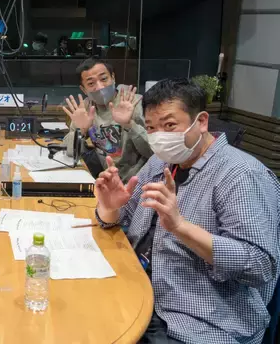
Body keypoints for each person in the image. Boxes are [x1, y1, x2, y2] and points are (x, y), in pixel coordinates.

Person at [95, 79, 280, 344]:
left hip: (198, 320)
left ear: (201, 121)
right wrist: (110, 207)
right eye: (151, 127)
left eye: (170, 125)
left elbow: (260, 265)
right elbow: (119, 219)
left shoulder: (241, 175)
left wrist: (180, 227)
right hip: (139, 287)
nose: (159, 136)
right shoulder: (161, 161)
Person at [63, 58, 152, 182]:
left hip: (141, 182)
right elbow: (68, 151)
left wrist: (129, 124)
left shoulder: (134, 103)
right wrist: (81, 131)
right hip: (109, 181)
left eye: (104, 79)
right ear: (83, 89)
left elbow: (154, 153)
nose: (100, 87)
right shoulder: (86, 109)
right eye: (91, 83)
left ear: (113, 78)